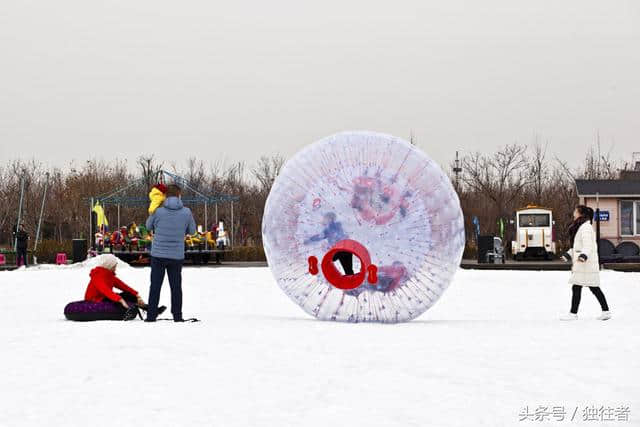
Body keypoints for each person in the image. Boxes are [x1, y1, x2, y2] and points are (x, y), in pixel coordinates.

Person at [145, 184, 196, 322]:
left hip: (158, 255)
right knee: (176, 287)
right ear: (179, 195)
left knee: (155, 286)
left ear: (165, 195)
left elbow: (148, 226)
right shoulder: (186, 212)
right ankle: (177, 316)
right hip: (176, 256)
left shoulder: (158, 211)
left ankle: (151, 316)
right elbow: (192, 231)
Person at [560, 205, 611, 321]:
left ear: (581, 213)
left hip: (585, 264)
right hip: (582, 264)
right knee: (585, 287)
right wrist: (568, 254)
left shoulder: (586, 227)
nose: (573, 213)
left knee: (589, 287)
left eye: (575, 211)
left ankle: (574, 314)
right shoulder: (581, 227)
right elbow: (577, 246)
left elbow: (588, 245)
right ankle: (605, 311)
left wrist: (584, 255)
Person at [84, 254, 166, 316]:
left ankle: (151, 310)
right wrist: (120, 299)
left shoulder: (109, 275)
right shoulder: (97, 276)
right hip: (95, 300)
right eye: (114, 266)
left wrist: (136, 294)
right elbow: (106, 291)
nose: (115, 267)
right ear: (109, 265)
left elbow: (123, 286)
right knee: (120, 300)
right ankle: (128, 311)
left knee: (130, 296)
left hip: (104, 297)